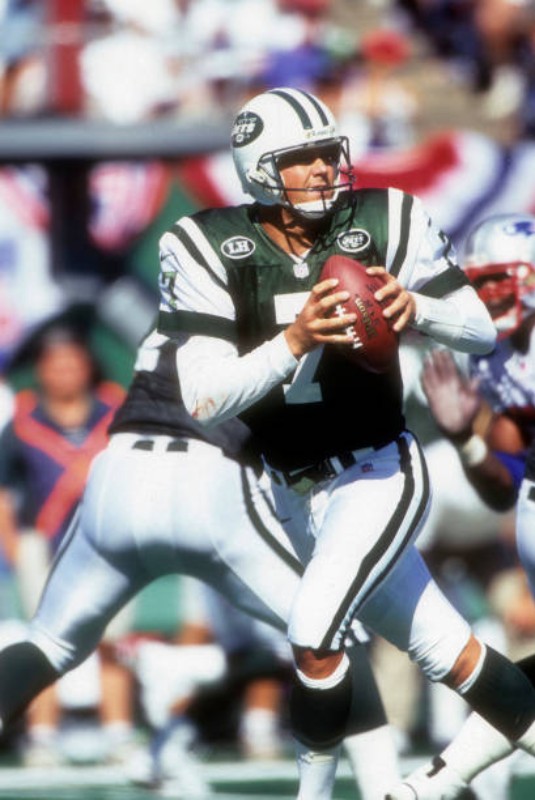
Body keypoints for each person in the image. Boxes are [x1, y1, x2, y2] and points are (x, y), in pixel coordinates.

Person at [156, 85, 535, 797]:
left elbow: (480, 329)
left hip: (378, 468)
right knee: (455, 657)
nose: (324, 169)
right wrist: (293, 341)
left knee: (312, 631)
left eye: (330, 153)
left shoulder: (385, 217)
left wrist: (418, 307)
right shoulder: (206, 244)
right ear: (260, 170)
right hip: (291, 489)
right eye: (302, 159)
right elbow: (204, 398)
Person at [0, 324, 401, 800]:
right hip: (207, 476)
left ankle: (184, 708)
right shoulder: (268, 299)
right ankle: (384, 790)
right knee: (336, 634)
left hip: (121, 473)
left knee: (48, 642)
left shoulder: (174, 305)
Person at [385, 212, 535, 799]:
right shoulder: (487, 355)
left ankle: (438, 781)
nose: (488, 296)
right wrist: (466, 439)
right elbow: (502, 486)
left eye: (499, 280)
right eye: (481, 284)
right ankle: (442, 779)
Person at [0, 325, 134, 766]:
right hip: (42, 544)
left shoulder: (116, 412)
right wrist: (14, 547)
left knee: (114, 641)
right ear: (40, 370)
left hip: (107, 544)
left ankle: (118, 733)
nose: (64, 372)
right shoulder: (24, 421)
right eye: (55, 364)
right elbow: (3, 493)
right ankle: (43, 736)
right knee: (44, 642)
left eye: (72, 363)